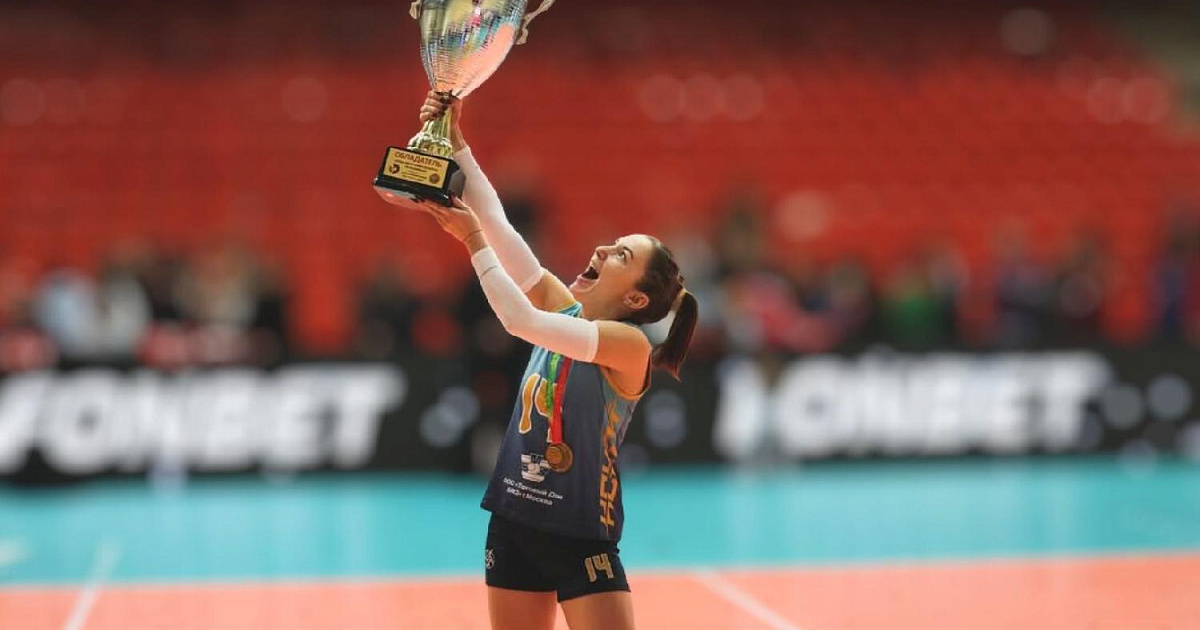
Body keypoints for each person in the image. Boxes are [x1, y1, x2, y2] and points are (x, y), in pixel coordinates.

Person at [410, 92, 698, 630]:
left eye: (622, 256)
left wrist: (472, 241)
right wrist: (458, 144)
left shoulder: (629, 345)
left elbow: (520, 321)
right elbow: (500, 226)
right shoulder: (566, 309)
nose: (604, 250)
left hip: (580, 531)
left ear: (636, 297)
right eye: (614, 243)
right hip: (514, 520)